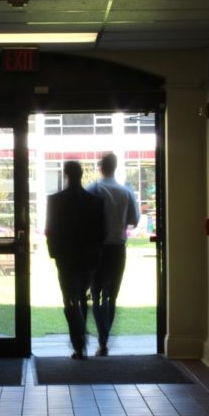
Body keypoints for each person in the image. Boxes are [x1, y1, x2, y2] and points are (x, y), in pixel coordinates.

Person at [45, 161, 106, 359]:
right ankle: (80, 341)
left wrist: (54, 254)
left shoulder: (55, 200)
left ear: (66, 175)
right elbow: (102, 233)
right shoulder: (95, 201)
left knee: (69, 299)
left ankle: (79, 342)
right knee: (81, 296)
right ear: (81, 175)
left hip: (65, 258)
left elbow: (50, 231)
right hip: (88, 258)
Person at [86, 153, 139, 356]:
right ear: (115, 167)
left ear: (101, 167)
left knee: (96, 293)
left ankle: (102, 340)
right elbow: (133, 219)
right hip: (117, 249)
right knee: (112, 296)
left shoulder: (93, 189)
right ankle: (104, 339)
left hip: (97, 248)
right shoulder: (125, 192)